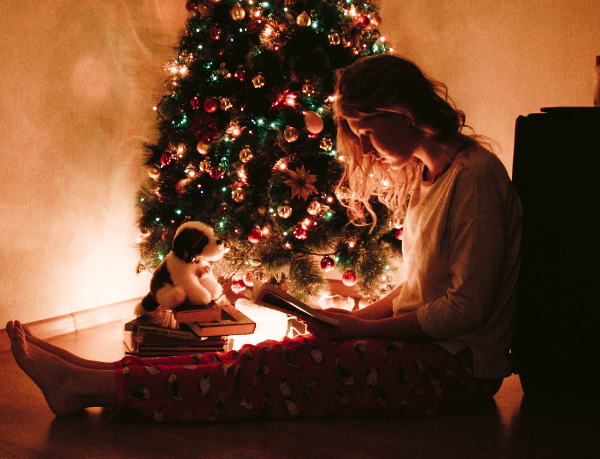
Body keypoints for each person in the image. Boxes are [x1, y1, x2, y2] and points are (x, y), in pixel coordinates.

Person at [7, 53, 521, 422]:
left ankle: (96, 385)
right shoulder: (428, 176)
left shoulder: (475, 178)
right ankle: (97, 374)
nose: (364, 148)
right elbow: (417, 288)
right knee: (264, 355)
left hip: (458, 369)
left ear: (401, 112)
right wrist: (351, 320)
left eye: (367, 131)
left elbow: (465, 309)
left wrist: (363, 333)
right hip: (429, 354)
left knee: (267, 371)